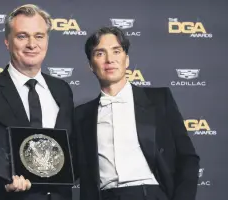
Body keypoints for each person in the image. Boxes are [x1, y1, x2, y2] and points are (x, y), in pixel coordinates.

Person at [0, 4, 74, 200]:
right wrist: (3, 182)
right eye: (22, 36)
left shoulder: (62, 90)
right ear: (7, 42)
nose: (32, 44)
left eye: (39, 36)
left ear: (47, 41)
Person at [74, 26, 200, 200]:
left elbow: (188, 158)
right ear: (90, 66)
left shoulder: (159, 100)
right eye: (100, 53)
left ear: (126, 60)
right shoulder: (81, 115)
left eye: (116, 51)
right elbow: (69, 169)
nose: (110, 59)